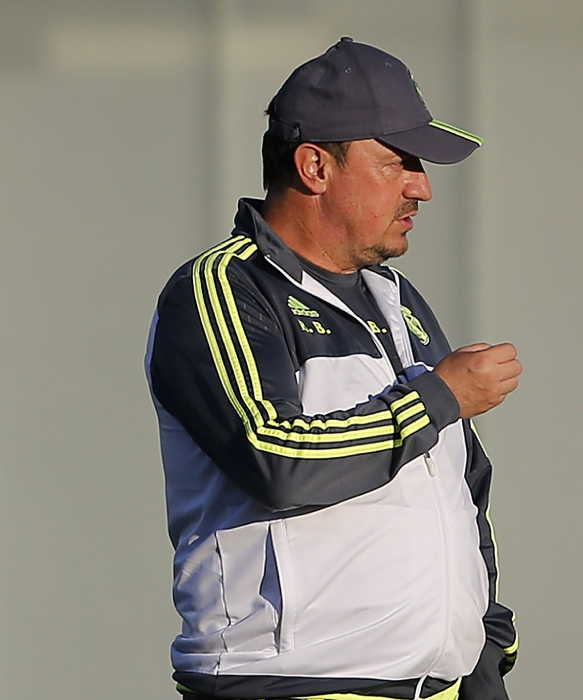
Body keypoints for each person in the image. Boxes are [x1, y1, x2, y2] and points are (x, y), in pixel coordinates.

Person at [145, 37, 520, 700]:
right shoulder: (222, 289)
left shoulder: (398, 298)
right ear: (314, 166)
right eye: (400, 162)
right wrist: (436, 398)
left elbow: (462, 485)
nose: (423, 187)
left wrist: (486, 644)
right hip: (288, 683)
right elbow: (274, 458)